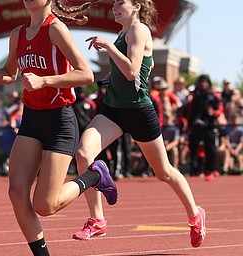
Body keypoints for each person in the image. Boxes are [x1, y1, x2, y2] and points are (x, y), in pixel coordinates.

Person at [0, 1, 117, 255]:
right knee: (17, 193)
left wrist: (44, 81)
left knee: (45, 205)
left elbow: (86, 74)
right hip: (31, 119)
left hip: (59, 121)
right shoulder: (18, 33)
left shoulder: (55, 30)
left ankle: (94, 175)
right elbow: (9, 74)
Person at [73, 0, 206, 249]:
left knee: (163, 171)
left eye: (120, 2)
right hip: (113, 109)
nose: (114, 6)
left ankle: (195, 214)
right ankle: (97, 219)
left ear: (136, 6)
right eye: (113, 2)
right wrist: (112, 76)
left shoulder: (139, 30)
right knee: (83, 154)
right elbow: (147, 65)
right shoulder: (124, 33)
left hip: (138, 111)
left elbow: (133, 72)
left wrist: (111, 48)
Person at [187, 74, 223, 181]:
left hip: (209, 125)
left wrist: (214, 113)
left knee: (210, 148)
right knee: (193, 147)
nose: (203, 84)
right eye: (202, 81)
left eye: (206, 82)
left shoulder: (213, 96)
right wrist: (189, 125)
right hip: (197, 125)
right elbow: (191, 112)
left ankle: (210, 170)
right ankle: (195, 170)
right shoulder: (196, 96)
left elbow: (219, 110)